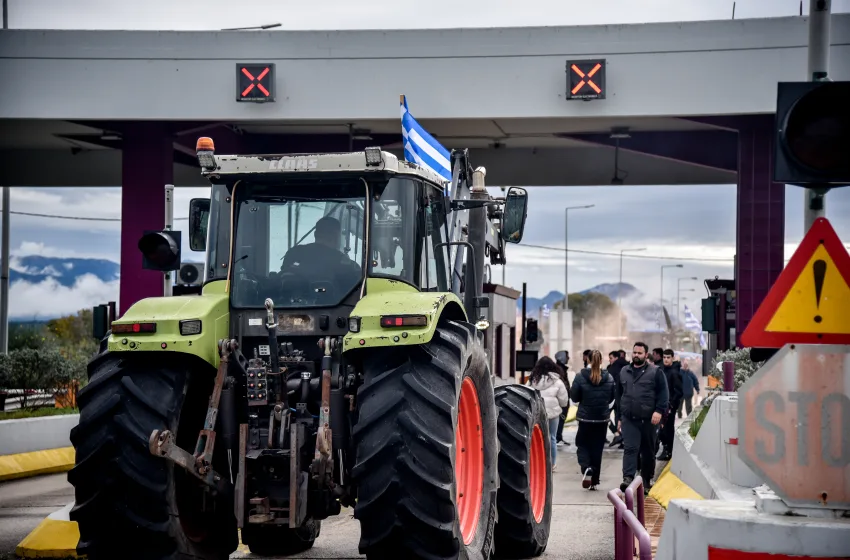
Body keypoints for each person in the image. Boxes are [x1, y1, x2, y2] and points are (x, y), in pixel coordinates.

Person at [617, 342, 668, 492]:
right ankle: (628, 478)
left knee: (647, 451)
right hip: (629, 418)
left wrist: (659, 411)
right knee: (630, 448)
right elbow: (619, 395)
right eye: (634, 353)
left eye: (639, 353)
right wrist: (619, 417)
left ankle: (646, 480)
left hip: (649, 420)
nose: (636, 355)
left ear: (646, 355)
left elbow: (663, 394)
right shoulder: (624, 371)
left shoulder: (656, 372)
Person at [279, 216, 361, 295]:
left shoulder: (293, 253)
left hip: (292, 307)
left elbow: (283, 279)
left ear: (315, 234)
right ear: (336, 236)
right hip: (333, 308)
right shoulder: (345, 264)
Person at [571, 350, 615, 490]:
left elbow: (574, 397)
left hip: (585, 418)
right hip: (602, 419)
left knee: (582, 444)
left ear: (588, 360)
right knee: (597, 448)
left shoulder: (580, 377)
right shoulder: (609, 378)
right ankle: (594, 480)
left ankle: (586, 467)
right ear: (602, 361)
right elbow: (612, 398)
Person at [527, 356, 571, 471]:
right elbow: (564, 400)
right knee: (552, 437)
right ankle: (552, 464)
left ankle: (536, 463)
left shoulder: (532, 380)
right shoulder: (557, 381)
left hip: (536, 411)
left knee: (535, 437)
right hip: (552, 413)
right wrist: (560, 406)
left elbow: (526, 393)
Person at [657, 349, 684, 461]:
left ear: (672, 358)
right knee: (662, 430)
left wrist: (672, 406)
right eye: (664, 357)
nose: (666, 359)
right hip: (661, 406)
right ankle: (666, 449)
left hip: (669, 407)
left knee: (667, 430)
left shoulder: (674, 372)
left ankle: (669, 451)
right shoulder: (661, 370)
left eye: (668, 357)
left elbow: (678, 391)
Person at [607, 350, 629, 448]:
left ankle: (617, 434)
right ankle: (622, 438)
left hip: (613, 397)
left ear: (616, 358)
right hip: (623, 397)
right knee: (620, 418)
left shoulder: (613, 368)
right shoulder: (628, 367)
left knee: (606, 416)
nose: (610, 360)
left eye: (611, 358)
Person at [554, 350, 572, 447]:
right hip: (561, 399)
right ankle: (558, 436)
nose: (568, 358)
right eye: (567, 356)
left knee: (561, 418)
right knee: (561, 418)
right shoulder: (560, 369)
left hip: (562, 398)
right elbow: (563, 385)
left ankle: (558, 436)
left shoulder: (561, 369)